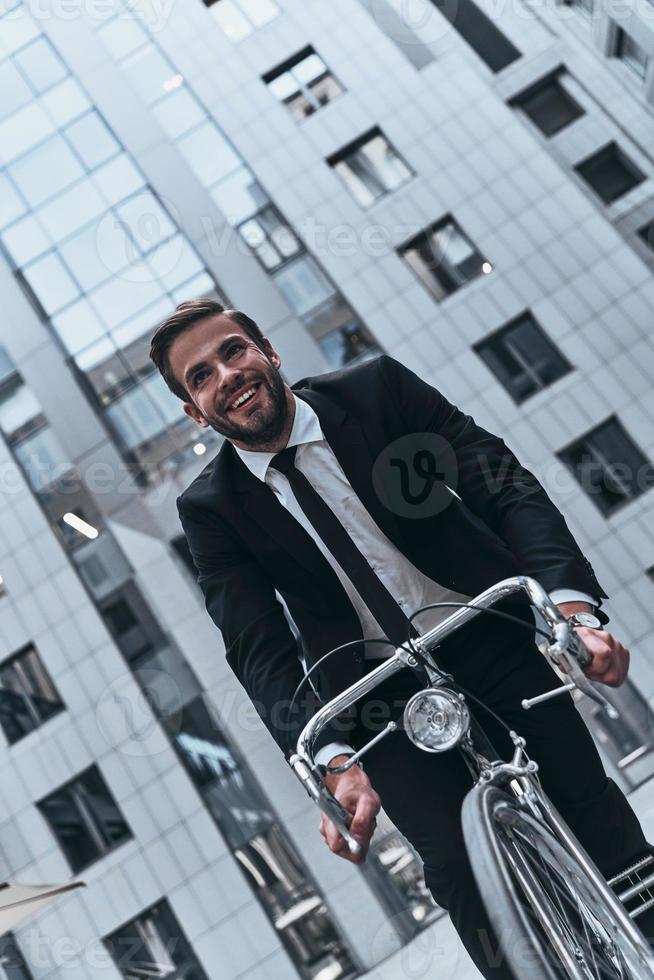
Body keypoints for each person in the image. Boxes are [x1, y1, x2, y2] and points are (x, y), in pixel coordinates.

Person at [150, 298, 653, 978]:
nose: (227, 375)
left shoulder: (377, 392)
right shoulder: (212, 510)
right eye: (201, 376)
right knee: (454, 865)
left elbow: (502, 486)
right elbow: (256, 646)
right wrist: (331, 762)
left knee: (587, 801)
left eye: (233, 351)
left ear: (267, 349)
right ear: (193, 410)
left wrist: (572, 611)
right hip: (374, 695)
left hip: (481, 626)